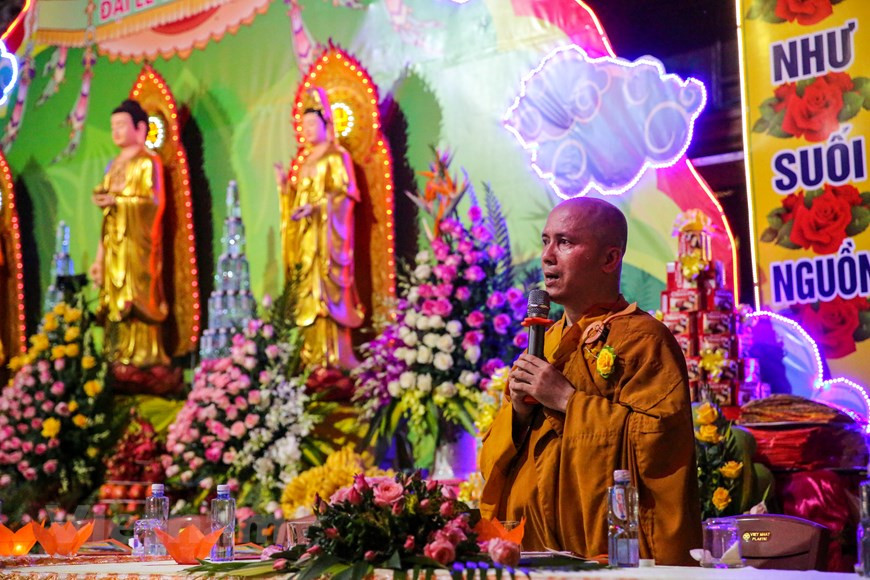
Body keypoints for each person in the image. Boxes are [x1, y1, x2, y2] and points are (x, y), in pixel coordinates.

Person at [478, 197, 701, 565]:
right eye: (545, 241)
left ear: (610, 259)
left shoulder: (644, 340)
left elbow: (661, 446)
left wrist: (568, 401)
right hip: (534, 552)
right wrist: (517, 414)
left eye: (565, 242)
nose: (548, 256)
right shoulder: (544, 343)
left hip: (610, 555)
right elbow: (494, 461)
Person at [278, 86, 364, 369]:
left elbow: (346, 196)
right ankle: (311, 356)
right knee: (307, 294)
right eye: (304, 126)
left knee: (327, 294)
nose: (308, 131)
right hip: (307, 239)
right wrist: (285, 191)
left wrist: (319, 207)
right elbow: (299, 202)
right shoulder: (306, 162)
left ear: (327, 123)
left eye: (313, 124)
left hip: (328, 240)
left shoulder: (337, 157)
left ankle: (336, 356)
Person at [89, 99, 170, 368]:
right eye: (113, 126)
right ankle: (117, 354)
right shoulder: (113, 166)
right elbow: (105, 213)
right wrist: (99, 259)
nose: (116, 131)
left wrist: (119, 202)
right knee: (113, 300)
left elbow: (153, 202)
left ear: (140, 128)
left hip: (137, 243)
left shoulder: (148, 162)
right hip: (114, 245)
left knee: (137, 295)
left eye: (122, 125)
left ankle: (145, 355)